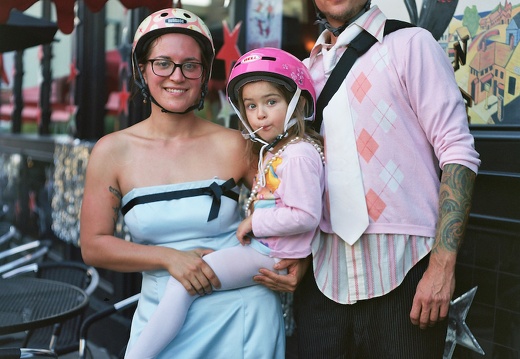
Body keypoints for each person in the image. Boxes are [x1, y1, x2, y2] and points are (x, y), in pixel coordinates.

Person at [254, 1, 481, 358]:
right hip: (323, 279)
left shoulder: (411, 44)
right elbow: (304, 175)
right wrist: (297, 255)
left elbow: (457, 153)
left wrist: (442, 266)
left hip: (407, 275)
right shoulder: (303, 74)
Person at [79, 9, 286, 358]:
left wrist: (299, 264)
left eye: (190, 65)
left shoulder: (237, 145)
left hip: (243, 319)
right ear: (141, 69)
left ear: (204, 74)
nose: (177, 76)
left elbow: (293, 209)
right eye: (163, 63)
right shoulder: (111, 151)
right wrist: (169, 258)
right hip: (160, 320)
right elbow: (94, 245)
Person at [124, 47, 325, 359]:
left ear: (296, 103)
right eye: (251, 106)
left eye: (271, 102)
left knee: (182, 286)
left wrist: (254, 223)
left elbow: (307, 214)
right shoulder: (273, 151)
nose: (260, 114)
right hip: (259, 251)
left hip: (266, 256)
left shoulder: (297, 154)